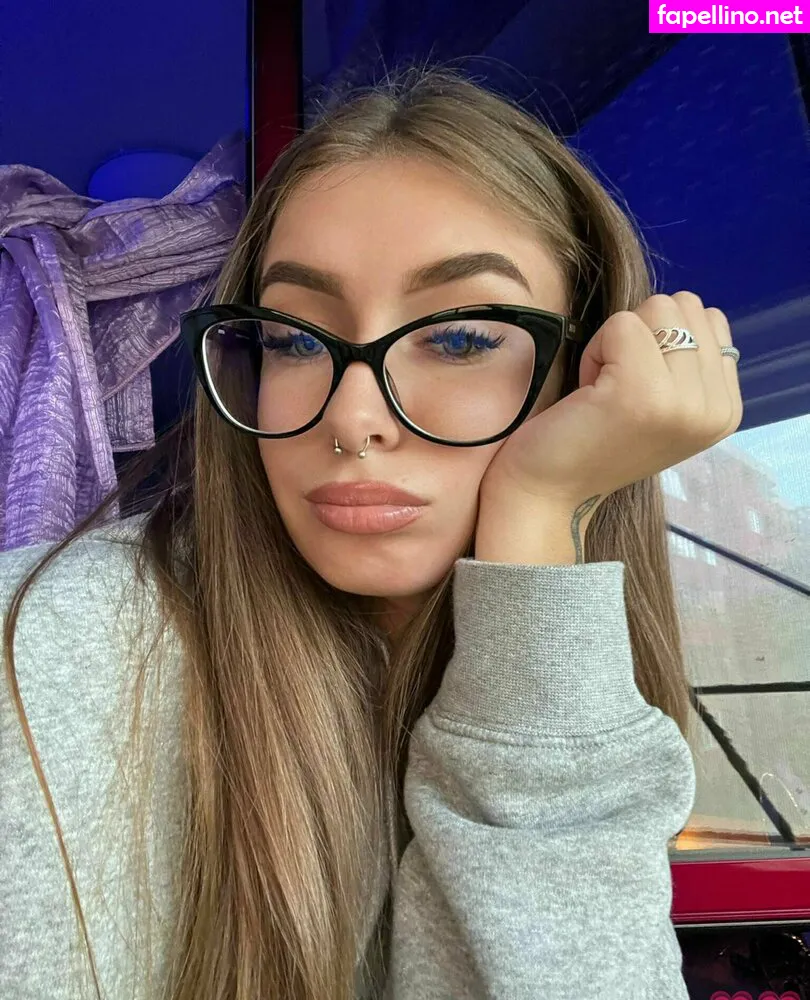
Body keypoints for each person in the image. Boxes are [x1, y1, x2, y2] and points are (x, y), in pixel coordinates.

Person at [0, 66, 743, 1000]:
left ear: (586, 377)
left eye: (462, 338)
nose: (352, 419)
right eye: (293, 339)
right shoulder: (42, 655)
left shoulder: (586, 678)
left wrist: (537, 515)